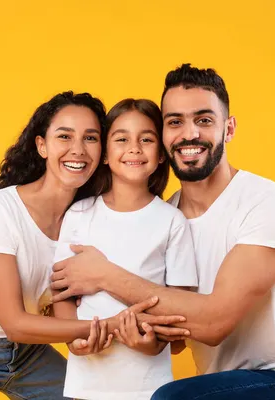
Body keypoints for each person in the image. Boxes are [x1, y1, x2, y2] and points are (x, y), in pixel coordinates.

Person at [50, 65, 275, 399]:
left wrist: (103, 275)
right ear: (164, 136)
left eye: (204, 120)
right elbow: (174, 334)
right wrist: (138, 336)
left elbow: (212, 325)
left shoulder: (269, 203)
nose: (189, 133)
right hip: (212, 387)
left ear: (229, 128)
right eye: (175, 121)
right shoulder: (165, 218)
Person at [0, 91, 185, 400]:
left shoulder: (88, 218)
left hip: (30, 354)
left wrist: (95, 337)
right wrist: (110, 327)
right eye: (64, 137)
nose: (78, 150)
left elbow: (76, 301)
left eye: (90, 138)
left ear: (103, 150)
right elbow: (15, 324)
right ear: (42, 145)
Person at [53, 98, 198, 400]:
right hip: (86, 385)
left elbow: (183, 313)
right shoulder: (79, 214)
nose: (134, 148)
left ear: (161, 155)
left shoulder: (172, 222)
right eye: (122, 139)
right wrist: (72, 338)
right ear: (105, 154)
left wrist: (153, 344)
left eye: (146, 139)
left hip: (149, 387)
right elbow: (62, 293)